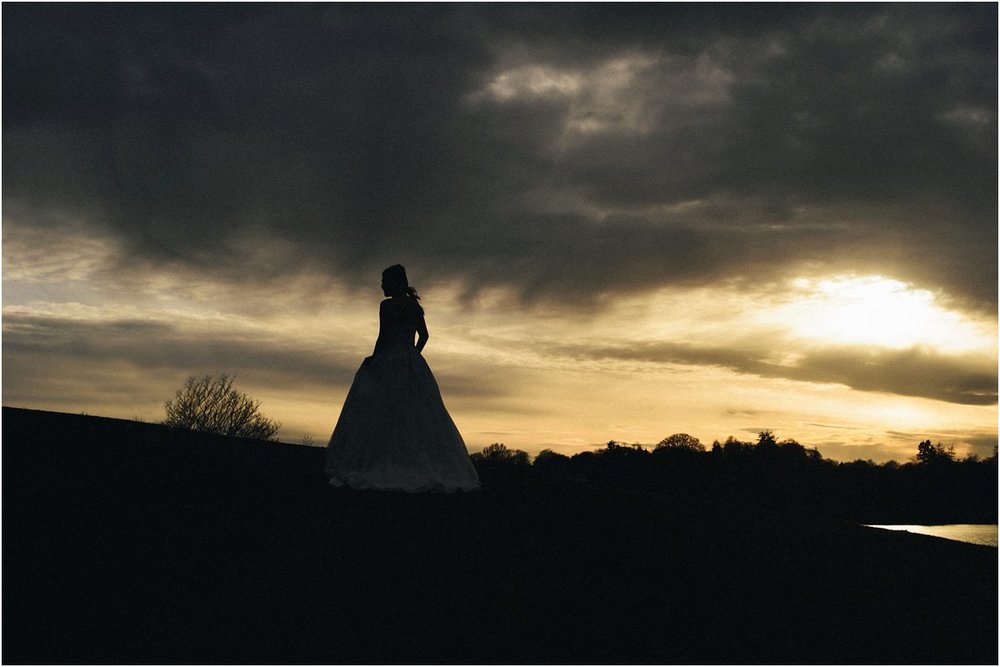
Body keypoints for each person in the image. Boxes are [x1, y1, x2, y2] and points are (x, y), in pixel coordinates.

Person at [325, 265, 481, 492]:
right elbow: (425, 336)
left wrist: (375, 359)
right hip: (410, 360)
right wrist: (413, 354)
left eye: (384, 281)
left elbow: (383, 337)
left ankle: (379, 461)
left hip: (389, 359)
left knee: (382, 413)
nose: (381, 285)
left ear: (395, 282)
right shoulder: (414, 306)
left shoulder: (386, 306)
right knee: (417, 415)